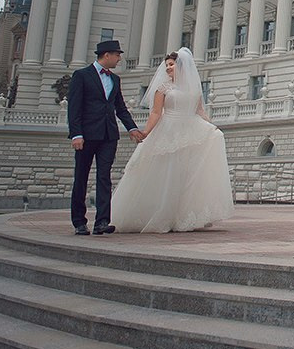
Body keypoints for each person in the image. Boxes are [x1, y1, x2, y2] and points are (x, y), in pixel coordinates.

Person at [111, 47, 234, 233]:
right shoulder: (163, 88)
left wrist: (212, 126)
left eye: (171, 64)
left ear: (182, 65)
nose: (168, 68)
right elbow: (155, 113)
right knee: (166, 172)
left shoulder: (194, 88)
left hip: (191, 129)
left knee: (188, 174)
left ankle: (184, 215)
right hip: (168, 129)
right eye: (166, 65)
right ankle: (158, 213)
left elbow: (199, 110)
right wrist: (146, 132)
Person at [68, 39, 143, 236]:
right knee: (81, 178)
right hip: (86, 135)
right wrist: (76, 133)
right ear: (106, 55)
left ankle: (102, 221)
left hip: (108, 135)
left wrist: (132, 128)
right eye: (117, 55)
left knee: (104, 177)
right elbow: (74, 108)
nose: (119, 59)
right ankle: (79, 222)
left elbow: (121, 108)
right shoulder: (82, 76)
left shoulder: (115, 80)